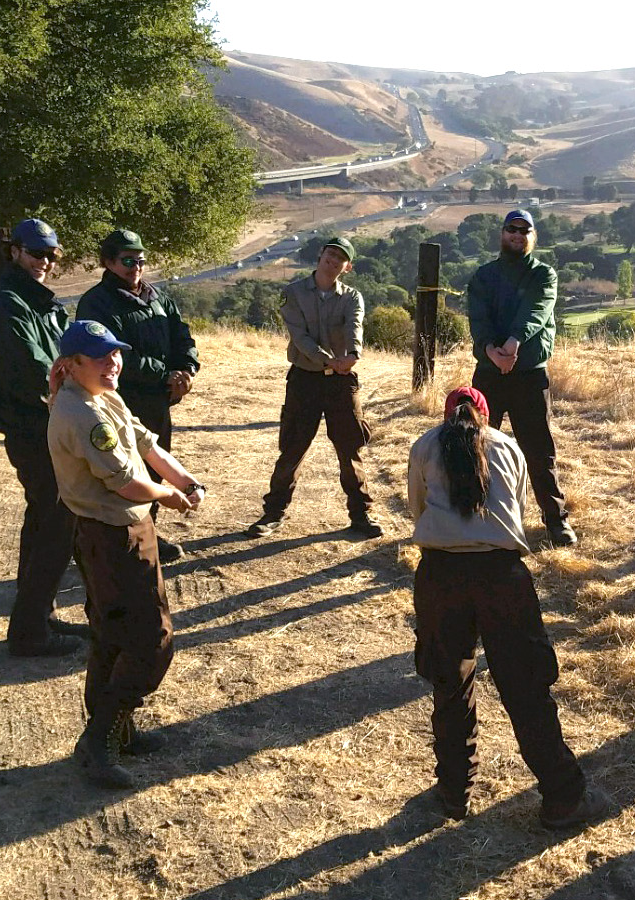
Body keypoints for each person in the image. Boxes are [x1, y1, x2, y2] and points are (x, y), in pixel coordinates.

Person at [407, 386, 610, 828]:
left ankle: (452, 793)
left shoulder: (423, 445)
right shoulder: (508, 446)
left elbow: (416, 509)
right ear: (487, 415)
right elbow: (514, 512)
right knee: (525, 688)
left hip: (440, 575)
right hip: (502, 578)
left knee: (450, 684)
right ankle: (563, 796)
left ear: (446, 416)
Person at [47, 320, 207, 788]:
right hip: (112, 536)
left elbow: (146, 444)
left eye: (114, 353)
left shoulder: (103, 395)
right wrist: (168, 496)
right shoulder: (82, 413)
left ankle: (117, 732)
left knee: (113, 633)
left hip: (126, 529)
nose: (112, 363)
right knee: (150, 640)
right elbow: (123, 481)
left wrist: (184, 480)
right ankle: (101, 739)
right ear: (71, 365)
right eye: (98, 357)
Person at [0, 217, 89, 657]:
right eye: (35, 253)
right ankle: (29, 631)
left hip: (49, 426)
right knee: (56, 527)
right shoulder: (6, 304)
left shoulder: (35, 301)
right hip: (33, 430)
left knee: (45, 522)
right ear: (15, 252)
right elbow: (34, 372)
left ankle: (41, 616)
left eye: (51, 255)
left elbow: (62, 361)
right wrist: (76, 388)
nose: (44, 262)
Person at [244, 237, 382, 539]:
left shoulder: (352, 297)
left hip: (341, 381)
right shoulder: (292, 293)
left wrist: (353, 355)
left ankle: (361, 515)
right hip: (305, 379)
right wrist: (330, 361)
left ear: (347, 267)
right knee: (293, 447)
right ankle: (273, 514)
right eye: (330, 254)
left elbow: (354, 326)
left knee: (350, 448)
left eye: (340, 258)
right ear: (320, 256)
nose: (333, 260)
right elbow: (300, 337)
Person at [77, 228, 200, 563]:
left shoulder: (158, 298)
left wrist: (186, 369)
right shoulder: (96, 303)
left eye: (141, 260)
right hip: (117, 401)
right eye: (127, 260)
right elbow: (113, 356)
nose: (135, 267)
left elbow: (182, 337)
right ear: (107, 262)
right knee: (117, 473)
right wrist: (165, 374)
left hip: (157, 401)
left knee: (153, 469)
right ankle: (109, 543)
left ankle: (147, 534)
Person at [466, 210, 576, 547]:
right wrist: (489, 350)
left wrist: (513, 343)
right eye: (511, 229)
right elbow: (478, 317)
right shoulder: (484, 276)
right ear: (502, 234)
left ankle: (556, 520)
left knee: (539, 450)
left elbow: (537, 310)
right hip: (488, 373)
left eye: (523, 230)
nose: (517, 235)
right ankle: (472, 517)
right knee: (477, 447)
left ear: (533, 236)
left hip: (528, 373)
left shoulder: (544, 274)